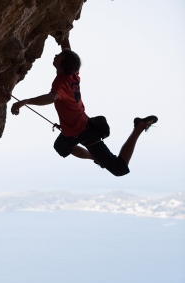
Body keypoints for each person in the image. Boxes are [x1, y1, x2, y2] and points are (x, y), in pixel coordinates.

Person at [11, 35, 158, 177]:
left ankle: (139, 127)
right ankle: (95, 157)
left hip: (84, 131)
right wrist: (64, 37)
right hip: (75, 127)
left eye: (59, 56)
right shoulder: (72, 74)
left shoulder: (61, 82)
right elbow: (67, 52)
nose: (56, 55)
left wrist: (25, 101)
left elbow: (51, 98)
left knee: (119, 169)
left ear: (62, 66)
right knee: (61, 147)